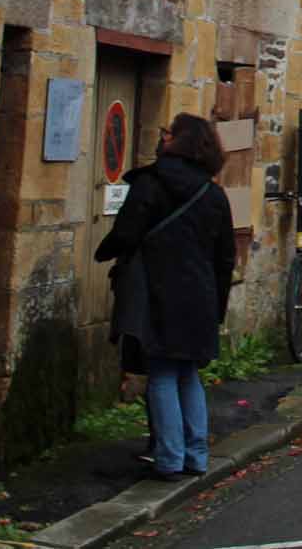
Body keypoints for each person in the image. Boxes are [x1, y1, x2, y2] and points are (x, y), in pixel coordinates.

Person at [95, 113, 236, 480]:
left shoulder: (150, 184)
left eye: (168, 133)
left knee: (160, 374)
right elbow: (225, 258)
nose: (162, 138)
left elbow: (125, 232)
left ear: (181, 141)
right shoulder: (213, 194)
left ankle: (170, 457)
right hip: (200, 295)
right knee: (188, 374)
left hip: (156, 292)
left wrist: (105, 251)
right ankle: (196, 455)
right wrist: (217, 306)